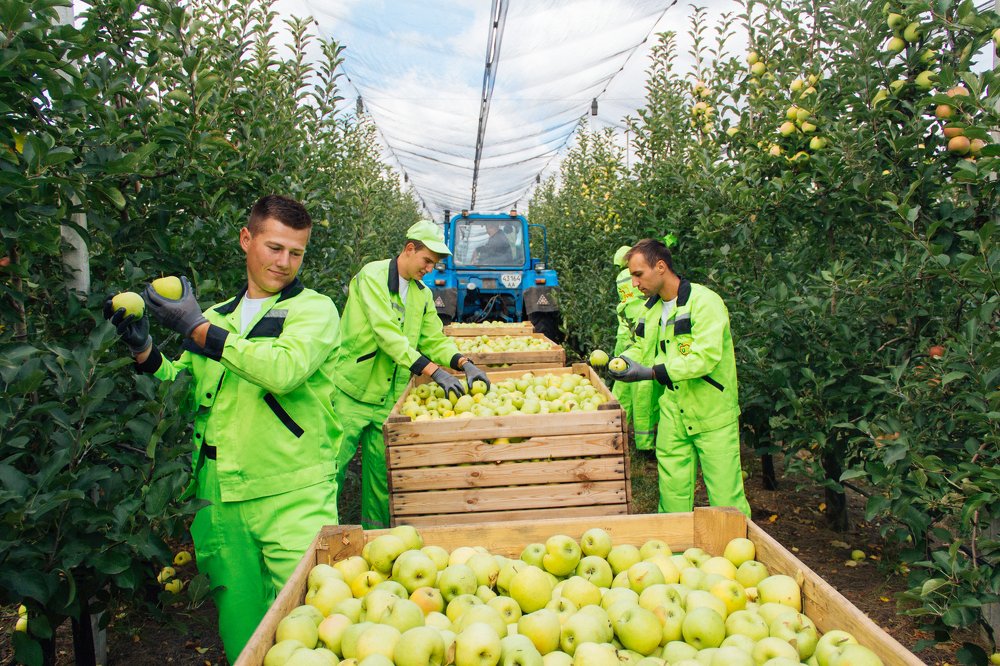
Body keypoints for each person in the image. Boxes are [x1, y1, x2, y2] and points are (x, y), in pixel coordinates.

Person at [103, 195, 342, 660]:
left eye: (296, 252)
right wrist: (145, 353)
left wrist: (196, 330)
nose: (284, 262)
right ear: (246, 240)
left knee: (310, 625)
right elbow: (185, 388)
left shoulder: (314, 310)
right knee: (241, 630)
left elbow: (284, 369)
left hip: (291, 491)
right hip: (217, 497)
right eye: (275, 247)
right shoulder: (217, 317)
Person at [332, 219, 491, 529]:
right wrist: (433, 371)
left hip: (389, 399)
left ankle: (372, 538)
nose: (430, 269)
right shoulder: (372, 277)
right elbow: (387, 334)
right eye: (427, 261)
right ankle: (321, 538)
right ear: (409, 249)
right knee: (331, 470)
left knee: (380, 479)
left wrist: (463, 363)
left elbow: (434, 339)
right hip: (352, 391)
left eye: (434, 264)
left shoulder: (421, 294)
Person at [609, 238, 751, 517]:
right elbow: (643, 345)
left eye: (638, 275)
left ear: (660, 267)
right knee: (673, 490)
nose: (634, 283)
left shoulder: (704, 302)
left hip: (711, 412)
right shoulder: (649, 309)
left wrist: (652, 373)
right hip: (674, 410)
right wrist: (625, 360)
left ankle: (737, 551)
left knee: (725, 495)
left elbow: (705, 358)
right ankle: (673, 550)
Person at [611, 244, 662, 453]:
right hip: (645, 334)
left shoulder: (621, 278)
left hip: (626, 335)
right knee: (644, 393)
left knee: (621, 389)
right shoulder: (642, 278)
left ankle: (614, 435)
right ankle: (645, 444)